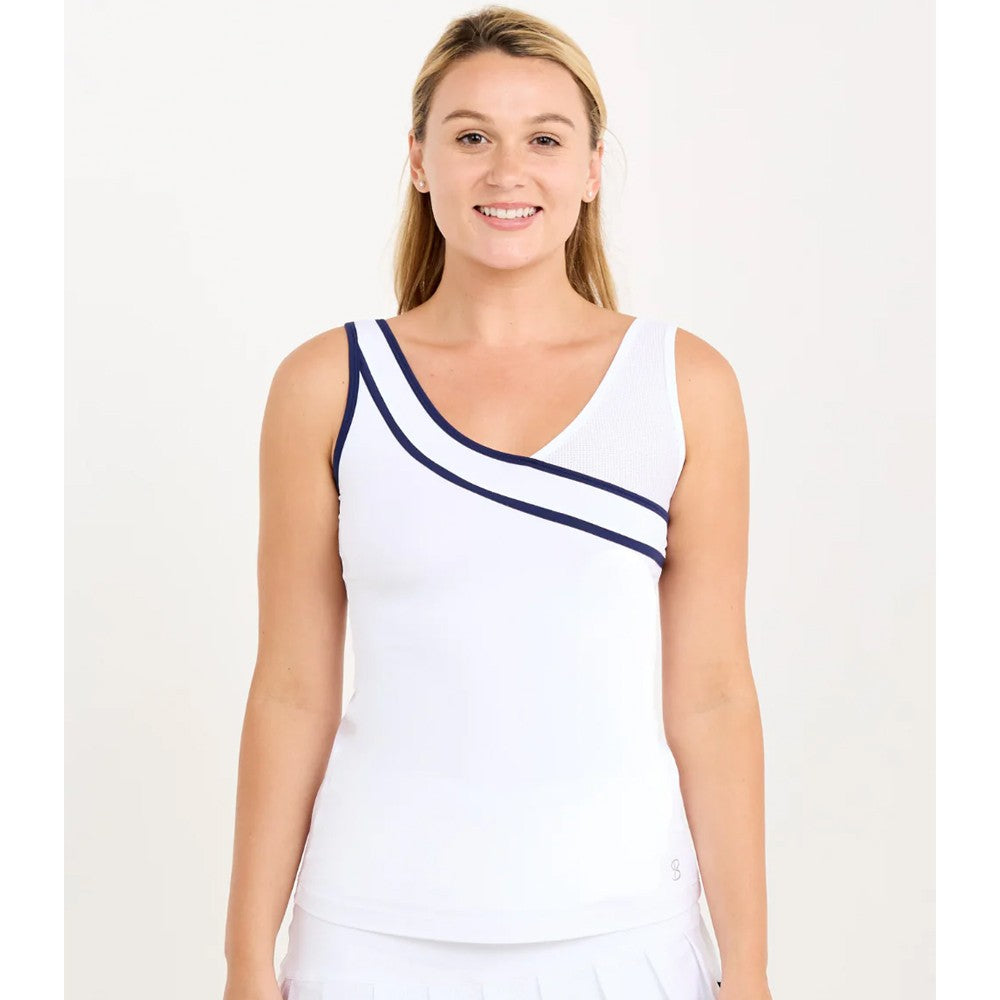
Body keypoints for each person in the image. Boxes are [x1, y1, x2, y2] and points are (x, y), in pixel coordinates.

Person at [223, 6, 771, 1000]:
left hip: (623, 938)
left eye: (544, 139)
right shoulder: (328, 384)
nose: (507, 171)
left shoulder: (683, 384)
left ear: (592, 169)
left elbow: (714, 694)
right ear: (419, 160)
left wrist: (752, 969)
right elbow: (292, 689)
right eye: (471, 136)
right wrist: (245, 962)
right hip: (368, 939)